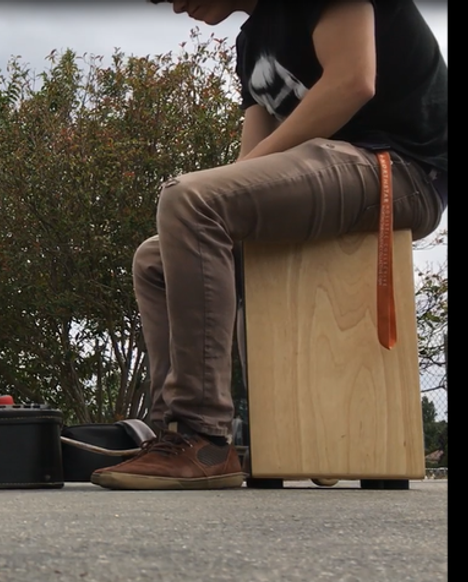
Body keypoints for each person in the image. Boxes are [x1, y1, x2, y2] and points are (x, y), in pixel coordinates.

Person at [93, 0, 447, 490]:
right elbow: (250, 163)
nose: (174, 6)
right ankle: (178, 433)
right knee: (156, 258)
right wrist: (208, 204)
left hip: (400, 170)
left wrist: (203, 198)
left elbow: (353, 80)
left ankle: (203, 437)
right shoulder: (252, 43)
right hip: (334, 173)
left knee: (191, 201)